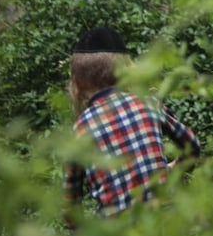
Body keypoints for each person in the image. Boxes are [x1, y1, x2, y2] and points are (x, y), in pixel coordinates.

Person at [64, 26, 201, 225]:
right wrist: (170, 171)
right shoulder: (148, 103)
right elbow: (192, 147)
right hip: (165, 227)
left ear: (77, 82)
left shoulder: (80, 130)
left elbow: (70, 212)